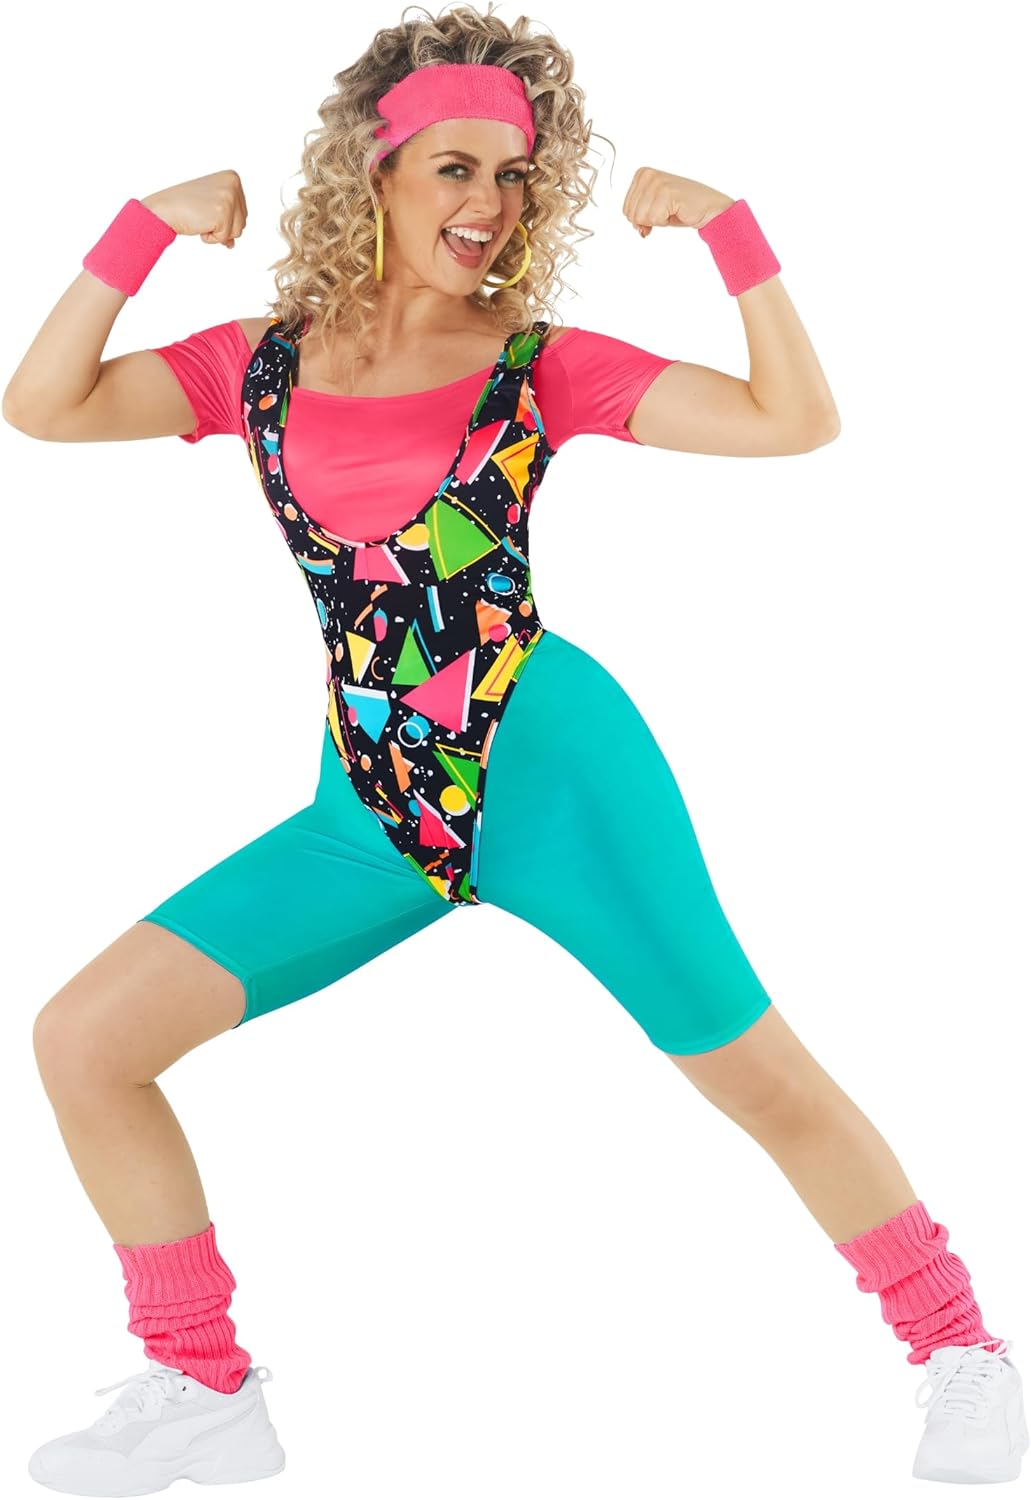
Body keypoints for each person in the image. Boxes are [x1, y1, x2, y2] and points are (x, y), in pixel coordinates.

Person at [4, 4, 1026, 1493]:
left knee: (759, 1078)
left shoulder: (536, 366)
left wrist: (732, 231)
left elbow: (794, 420)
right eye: (456, 169)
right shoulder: (258, 366)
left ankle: (962, 1350)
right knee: (85, 1042)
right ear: (373, 171)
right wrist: (141, 226)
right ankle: (202, 1386)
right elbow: (42, 405)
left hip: (556, 783)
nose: (488, 204)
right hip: (368, 812)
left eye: (515, 176)